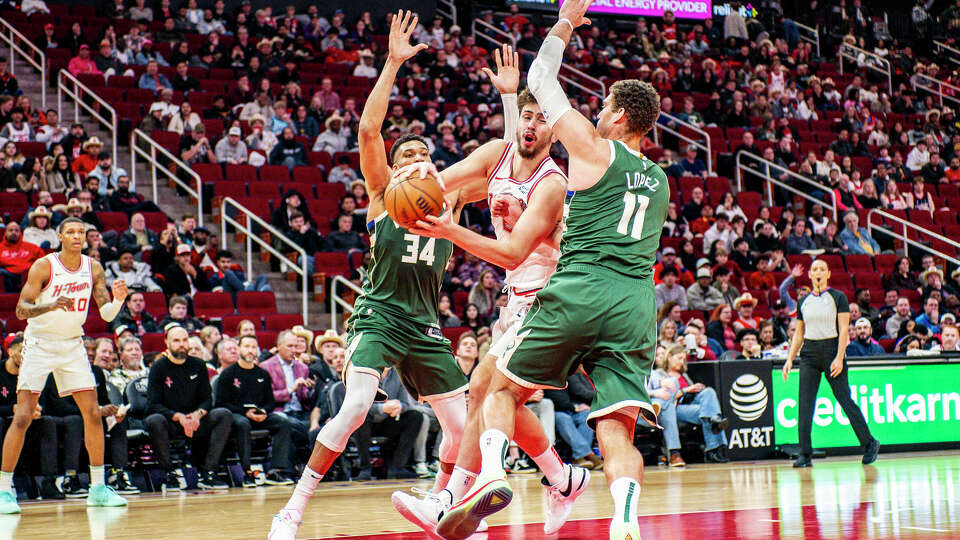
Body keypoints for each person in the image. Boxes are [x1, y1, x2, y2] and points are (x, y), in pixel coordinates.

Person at [437, 3, 668, 538]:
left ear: (620, 118)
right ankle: (625, 519)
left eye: (605, 106)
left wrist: (565, 21)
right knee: (616, 431)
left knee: (498, 389)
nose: (598, 112)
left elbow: (541, 78)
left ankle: (489, 476)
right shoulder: (660, 180)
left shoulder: (593, 149)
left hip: (580, 289)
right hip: (635, 305)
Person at [270, 14, 470, 539]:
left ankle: (443, 505)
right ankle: (291, 509)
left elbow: (502, 156)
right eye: (406, 154)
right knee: (357, 406)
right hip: (379, 315)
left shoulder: (450, 198)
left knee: (461, 428)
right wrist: (393, 62)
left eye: (422, 154)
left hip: (425, 326)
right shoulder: (383, 195)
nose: (415, 160)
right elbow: (368, 130)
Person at [399, 44, 583, 537]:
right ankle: (563, 479)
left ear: (553, 132)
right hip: (514, 301)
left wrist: (449, 232)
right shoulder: (495, 155)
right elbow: (443, 181)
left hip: (550, 300)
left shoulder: (551, 184)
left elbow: (511, 255)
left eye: (543, 121)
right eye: (526, 115)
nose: (531, 125)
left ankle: (451, 495)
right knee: (502, 398)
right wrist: (415, 178)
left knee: (482, 386)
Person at [0, 218, 129, 514]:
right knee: (22, 416)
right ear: (59, 236)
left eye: (80, 232)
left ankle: (98, 488)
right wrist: (51, 304)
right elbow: (22, 309)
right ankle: (4, 490)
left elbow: (106, 314)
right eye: (70, 232)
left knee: (93, 414)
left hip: (72, 343)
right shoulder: (44, 266)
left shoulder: (93, 267)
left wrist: (119, 300)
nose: (76, 236)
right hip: (40, 343)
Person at [783, 260, 879, 468]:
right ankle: (805, 454)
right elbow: (799, 333)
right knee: (805, 404)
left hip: (832, 350)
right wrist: (790, 358)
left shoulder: (838, 297)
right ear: (809, 274)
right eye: (814, 269)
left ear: (827, 274)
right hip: (808, 353)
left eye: (821, 269)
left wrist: (839, 357)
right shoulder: (804, 302)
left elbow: (844, 330)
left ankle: (870, 443)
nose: (818, 272)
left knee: (844, 399)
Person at [145, 324, 232, 490]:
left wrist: (197, 414)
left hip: (195, 420)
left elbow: (207, 399)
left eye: (184, 340)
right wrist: (178, 417)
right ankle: (170, 474)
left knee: (223, 414)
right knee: (154, 420)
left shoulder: (198, 365)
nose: (182, 344)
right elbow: (153, 405)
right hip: (171, 421)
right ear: (167, 343)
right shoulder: (158, 367)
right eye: (176, 340)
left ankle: (208, 473)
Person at [215, 335, 295, 487]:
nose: (250, 350)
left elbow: (270, 401)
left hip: (259, 416)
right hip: (238, 416)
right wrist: (245, 412)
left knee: (284, 422)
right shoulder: (228, 374)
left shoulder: (262, 374)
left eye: (253, 347)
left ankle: (276, 471)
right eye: (247, 346)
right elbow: (221, 403)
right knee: (243, 424)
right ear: (239, 349)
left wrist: (264, 411)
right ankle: (248, 472)